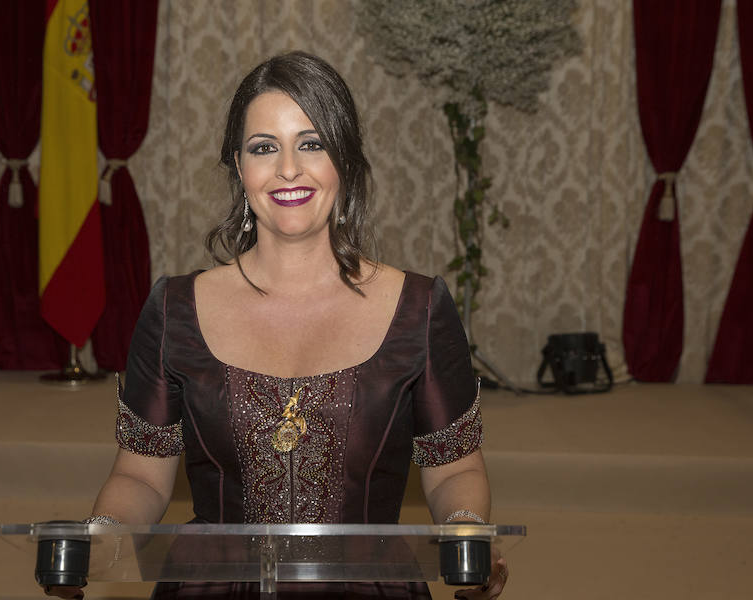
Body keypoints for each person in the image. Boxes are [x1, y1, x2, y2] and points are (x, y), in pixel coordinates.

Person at [47, 51, 508, 600]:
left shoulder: (421, 308)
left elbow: (454, 469)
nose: (289, 168)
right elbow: (140, 476)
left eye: (311, 143)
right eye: (264, 148)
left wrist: (467, 531)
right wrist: (101, 540)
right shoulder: (174, 309)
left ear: (345, 160)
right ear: (239, 168)